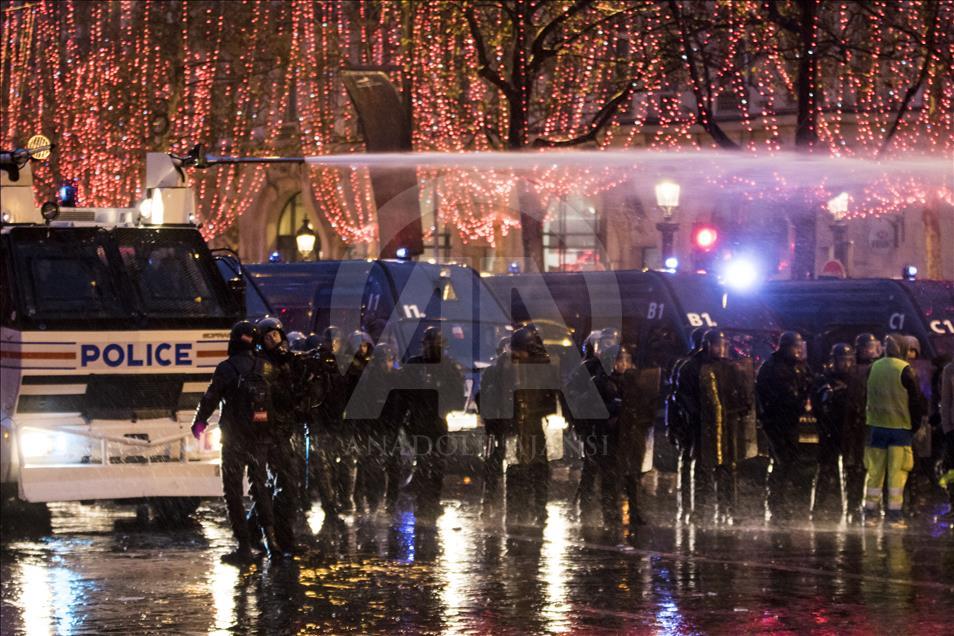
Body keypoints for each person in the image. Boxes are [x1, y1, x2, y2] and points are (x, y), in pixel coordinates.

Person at [191, 321, 282, 563]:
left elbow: (211, 397)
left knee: (233, 491)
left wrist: (199, 421)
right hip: (260, 438)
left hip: (234, 439)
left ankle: (243, 546)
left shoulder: (226, 368)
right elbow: (281, 400)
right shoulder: (266, 367)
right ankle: (271, 541)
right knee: (260, 487)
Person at [398, 326, 465, 522]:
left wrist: (443, 405)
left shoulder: (449, 368)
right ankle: (422, 501)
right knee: (424, 462)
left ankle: (432, 501)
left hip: (437, 422)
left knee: (436, 464)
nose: (432, 349)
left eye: (436, 345)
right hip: (418, 422)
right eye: (429, 345)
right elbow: (402, 394)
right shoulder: (414, 365)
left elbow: (457, 399)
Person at [252, 317, 305, 552]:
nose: (274, 340)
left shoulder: (286, 362)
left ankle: (254, 532)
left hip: (283, 431)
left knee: (282, 486)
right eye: (268, 337)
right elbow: (277, 397)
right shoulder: (264, 365)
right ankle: (282, 538)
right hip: (271, 434)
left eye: (276, 335)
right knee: (286, 485)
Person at [863, 334, 925, 527]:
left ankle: (870, 514)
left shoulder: (873, 367)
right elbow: (915, 402)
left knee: (874, 472)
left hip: (876, 427)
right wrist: (915, 426)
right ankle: (894, 516)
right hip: (900, 429)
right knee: (897, 474)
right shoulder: (905, 370)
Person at [502, 326, 560, 527]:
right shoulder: (507, 369)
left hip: (534, 427)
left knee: (537, 469)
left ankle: (537, 510)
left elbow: (550, 399)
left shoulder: (540, 370)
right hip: (517, 428)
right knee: (519, 470)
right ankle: (519, 512)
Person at [756, 331, 816, 523]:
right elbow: (780, 397)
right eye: (795, 347)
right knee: (781, 460)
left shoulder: (798, 367)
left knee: (789, 460)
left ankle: (780, 501)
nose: (798, 351)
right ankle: (775, 503)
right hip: (775, 421)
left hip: (791, 421)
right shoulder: (773, 367)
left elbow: (808, 383)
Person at [695, 330, 751, 523]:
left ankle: (729, 508)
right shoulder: (698, 367)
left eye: (722, 345)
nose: (720, 349)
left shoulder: (731, 368)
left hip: (729, 422)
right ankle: (699, 510)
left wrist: (742, 407)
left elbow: (742, 395)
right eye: (716, 345)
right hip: (704, 426)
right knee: (704, 468)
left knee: (729, 466)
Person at [565, 330, 609, 522]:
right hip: (591, 425)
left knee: (605, 466)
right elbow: (572, 397)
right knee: (592, 466)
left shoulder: (610, 368)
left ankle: (597, 501)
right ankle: (586, 502)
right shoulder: (585, 369)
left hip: (607, 426)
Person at [811, 343, 855, 521]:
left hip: (849, 429)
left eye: (848, 360)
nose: (846, 364)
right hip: (830, 430)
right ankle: (817, 507)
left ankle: (850, 509)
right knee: (825, 469)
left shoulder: (854, 380)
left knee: (850, 471)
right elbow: (818, 405)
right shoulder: (824, 380)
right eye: (842, 360)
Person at [666, 327, 706, 520]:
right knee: (688, 461)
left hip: (699, 422)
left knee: (698, 463)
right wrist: (673, 426)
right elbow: (675, 399)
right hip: (688, 422)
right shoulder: (686, 365)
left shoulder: (705, 365)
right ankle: (687, 508)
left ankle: (697, 506)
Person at [842, 333, 879, 522]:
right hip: (856, 423)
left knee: (865, 466)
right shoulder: (854, 369)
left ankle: (863, 505)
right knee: (854, 466)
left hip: (866, 422)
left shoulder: (874, 369)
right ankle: (853, 505)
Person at [477, 336, 512, 514]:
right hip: (497, 422)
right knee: (493, 460)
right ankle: (489, 496)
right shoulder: (492, 372)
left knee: (512, 462)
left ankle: (499, 497)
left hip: (511, 422)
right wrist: (487, 416)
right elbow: (483, 395)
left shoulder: (519, 371)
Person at [940, 361, 954, 518]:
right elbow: (946, 400)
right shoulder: (949, 370)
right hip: (953, 429)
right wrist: (947, 427)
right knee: (952, 469)